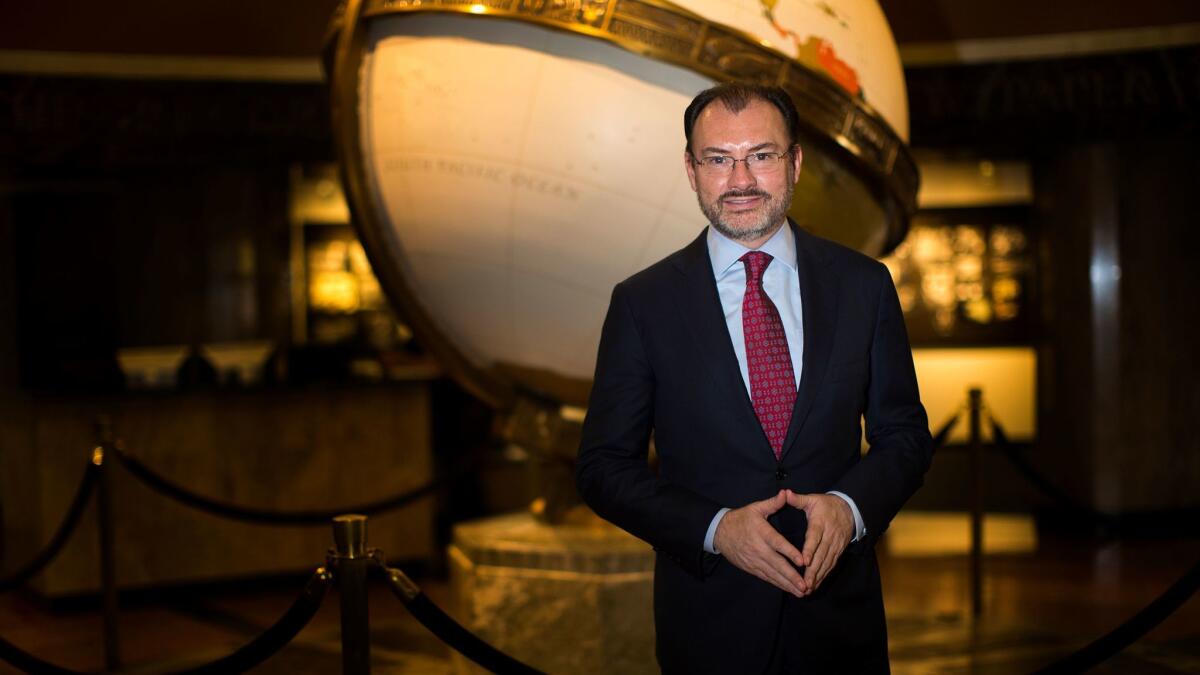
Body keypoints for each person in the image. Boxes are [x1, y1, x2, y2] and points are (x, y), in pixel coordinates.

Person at [576, 83, 933, 673]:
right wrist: (715, 529)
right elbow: (602, 468)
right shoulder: (643, 304)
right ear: (691, 170)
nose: (740, 179)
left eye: (761, 156)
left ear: (794, 163)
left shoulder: (864, 286)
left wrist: (850, 508)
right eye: (718, 159)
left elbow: (906, 437)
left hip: (840, 626)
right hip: (709, 625)